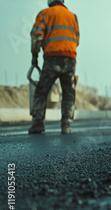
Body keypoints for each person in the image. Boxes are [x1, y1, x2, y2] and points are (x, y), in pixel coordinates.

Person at [28, 0, 80, 134]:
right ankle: (66, 125)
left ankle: (38, 123)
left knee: (42, 90)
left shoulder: (45, 14)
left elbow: (37, 36)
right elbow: (77, 39)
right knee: (69, 92)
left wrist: (35, 56)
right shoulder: (72, 16)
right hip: (70, 58)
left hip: (52, 57)